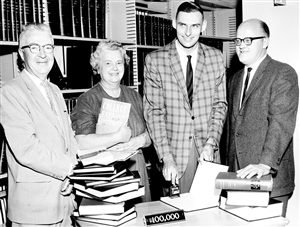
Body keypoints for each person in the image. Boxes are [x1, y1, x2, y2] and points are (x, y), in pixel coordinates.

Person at [143, 1, 227, 194]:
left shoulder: (216, 57)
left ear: (203, 26)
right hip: (174, 157)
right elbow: (153, 113)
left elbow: (219, 105)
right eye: (183, 25)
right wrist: (166, 157)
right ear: (174, 23)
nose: (188, 32)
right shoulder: (155, 60)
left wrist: (211, 143)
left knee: (210, 219)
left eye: (195, 26)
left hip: (207, 154)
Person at [0, 23, 78, 226]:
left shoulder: (55, 90)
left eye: (48, 47)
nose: (43, 54)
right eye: (34, 47)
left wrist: (73, 176)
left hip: (64, 201)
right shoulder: (10, 91)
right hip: (33, 210)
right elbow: (26, 148)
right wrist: (70, 168)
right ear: (21, 53)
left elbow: (68, 137)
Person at [226, 18, 299, 217]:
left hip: (269, 179)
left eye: (248, 40)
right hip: (238, 179)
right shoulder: (234, 79)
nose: (241, 46)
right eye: (238, 41)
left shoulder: (283, 73)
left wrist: (265, 164)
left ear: (265, 41)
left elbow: (281, 122)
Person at [71, 40, 152, 202]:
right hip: (107, 174)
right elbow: (81, 142)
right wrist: (117, 137)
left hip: (138, 167)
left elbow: (151, 134)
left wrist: (141, 140)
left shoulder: (135, 96)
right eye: (108, 63)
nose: (114, 68)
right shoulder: (87, 99)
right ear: (97, 67)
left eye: (119, 63)